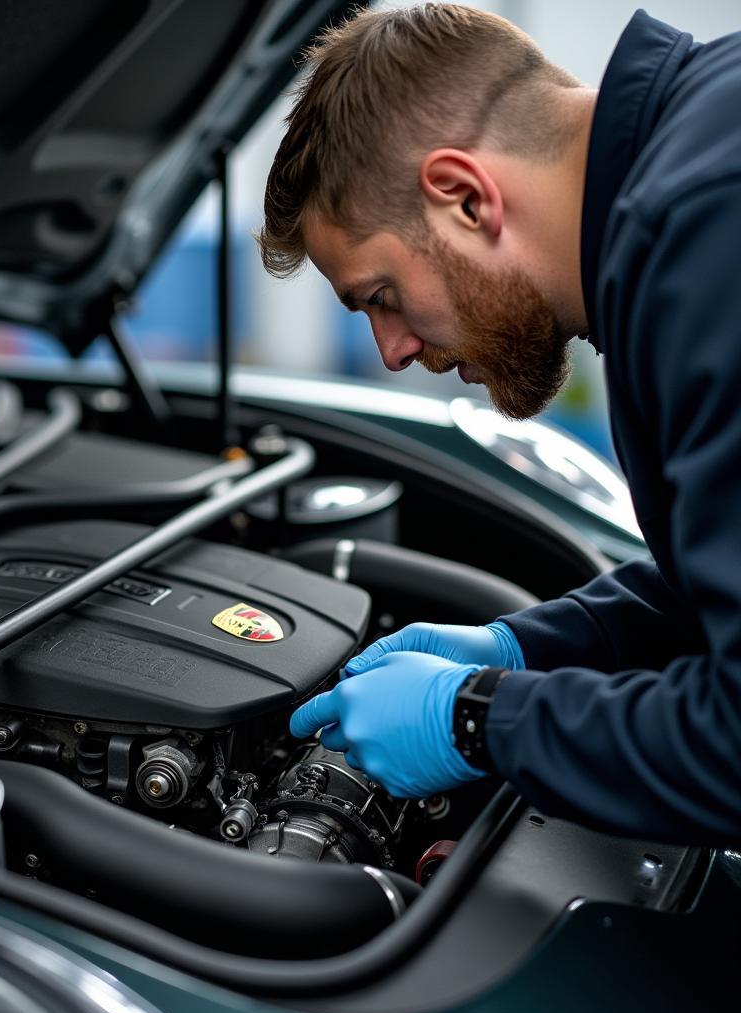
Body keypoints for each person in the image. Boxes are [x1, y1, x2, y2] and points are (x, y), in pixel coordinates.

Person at [258, 4, 741, 843]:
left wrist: (482, 721)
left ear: (464, 197)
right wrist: (525, 648)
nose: (392, 352)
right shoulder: (697, 163)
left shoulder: (710, 247)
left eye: (381, 298)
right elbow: (716, 588)